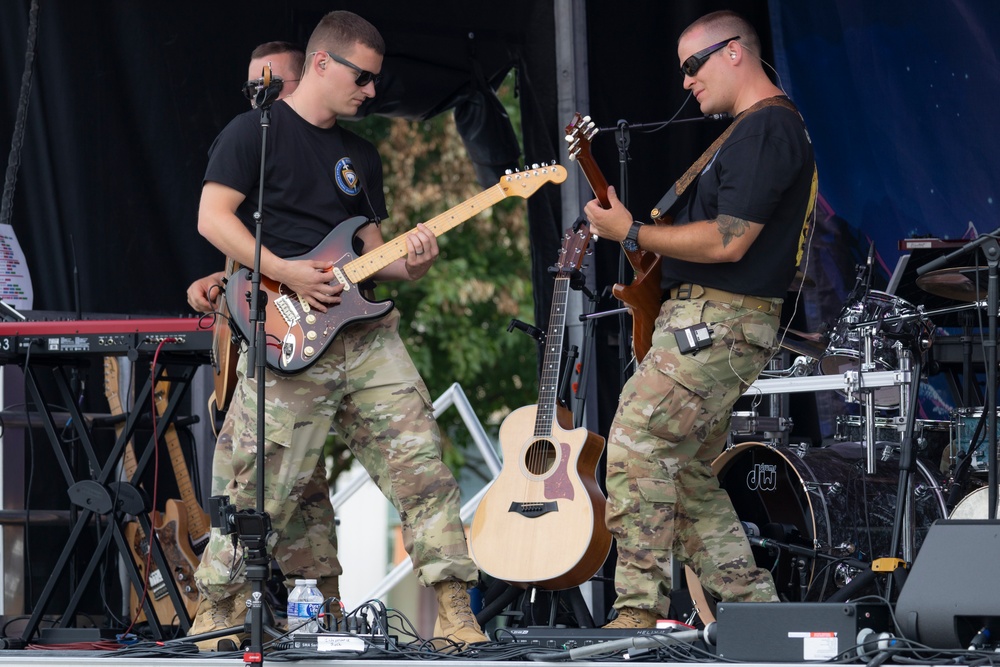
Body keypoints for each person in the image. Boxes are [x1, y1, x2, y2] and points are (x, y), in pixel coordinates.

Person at [188, 11, 488, 650]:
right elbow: (213, 220)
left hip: (365, 335)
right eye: (364, 77)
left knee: (424, 468)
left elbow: (379, 254)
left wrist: (414, 261)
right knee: (255, 481)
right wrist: (289, 274)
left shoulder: (361, 155)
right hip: (287, 338)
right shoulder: (253, 133)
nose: (373, 92)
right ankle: (216, 612)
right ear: (321, 64)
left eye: (376, 80)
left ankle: (457, 614)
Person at [584, 10, 816, 628]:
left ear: (735, 52)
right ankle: (757, 615)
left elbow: (731, 241)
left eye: (694, 65)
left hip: (722, 322)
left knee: (634, 444)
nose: (685, 82)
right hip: (711, 321)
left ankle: (636, 612)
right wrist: (641, 239)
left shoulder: (767, 129)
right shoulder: (747, 132)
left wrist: (632, 229)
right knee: (682, 472)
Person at [186, 41, 304, 313]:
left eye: (271, 85)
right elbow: (213, 222)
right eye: (253, 89)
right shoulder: (248, 137)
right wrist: (221, 280)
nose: (261, 96)